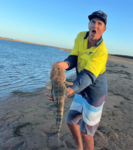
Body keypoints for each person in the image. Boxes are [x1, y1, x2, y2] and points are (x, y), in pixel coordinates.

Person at [45, 10, 108, 150]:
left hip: (95, 94)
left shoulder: (102, 51)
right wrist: (63, 65)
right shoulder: (81, 36)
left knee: (86, 133)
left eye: (99, 23)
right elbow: (74, 57)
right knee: (71, 121)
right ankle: (79, 148)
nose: (95, 26)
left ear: (104, 29)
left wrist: (69, 90)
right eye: (93, 22)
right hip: (81, 90)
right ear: (88, 24)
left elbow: (88, 76)